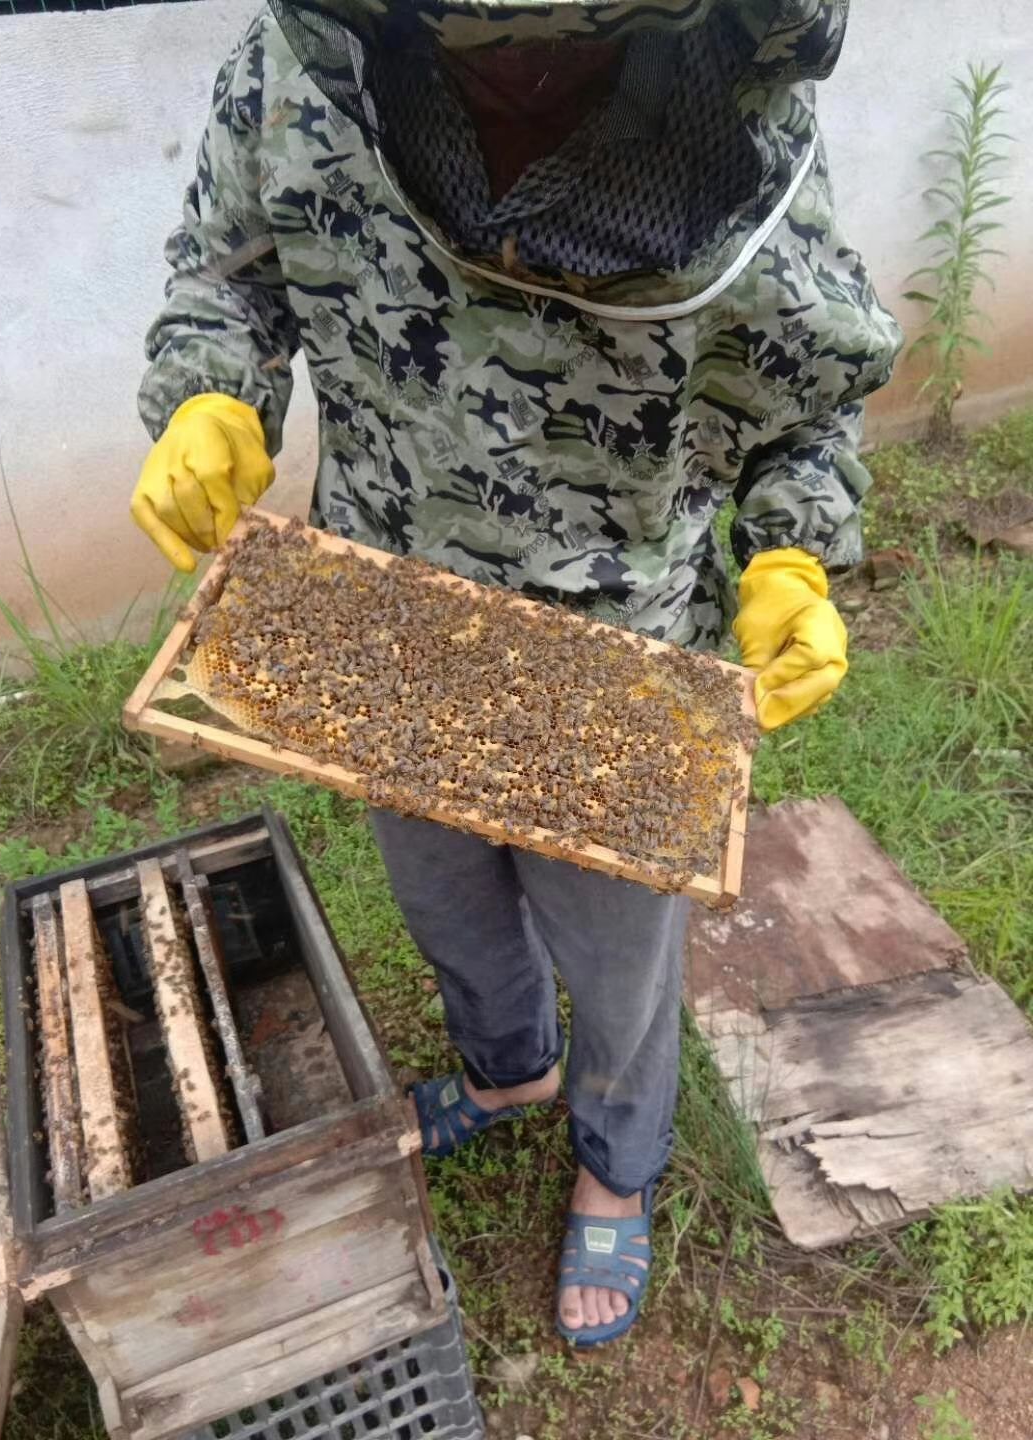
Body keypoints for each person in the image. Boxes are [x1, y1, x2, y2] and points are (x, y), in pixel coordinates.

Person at [131, 0, 900, 1347]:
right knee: (445, 897)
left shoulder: (742, 127)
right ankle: (508, 1074)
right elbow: (230, 271)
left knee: (618, 958)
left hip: (623, 663)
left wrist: (794, 556)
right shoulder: (292, 67)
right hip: (388, 617)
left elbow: (811, 404)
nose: (523, 76)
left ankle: (618, 1155)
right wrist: (214, 390)